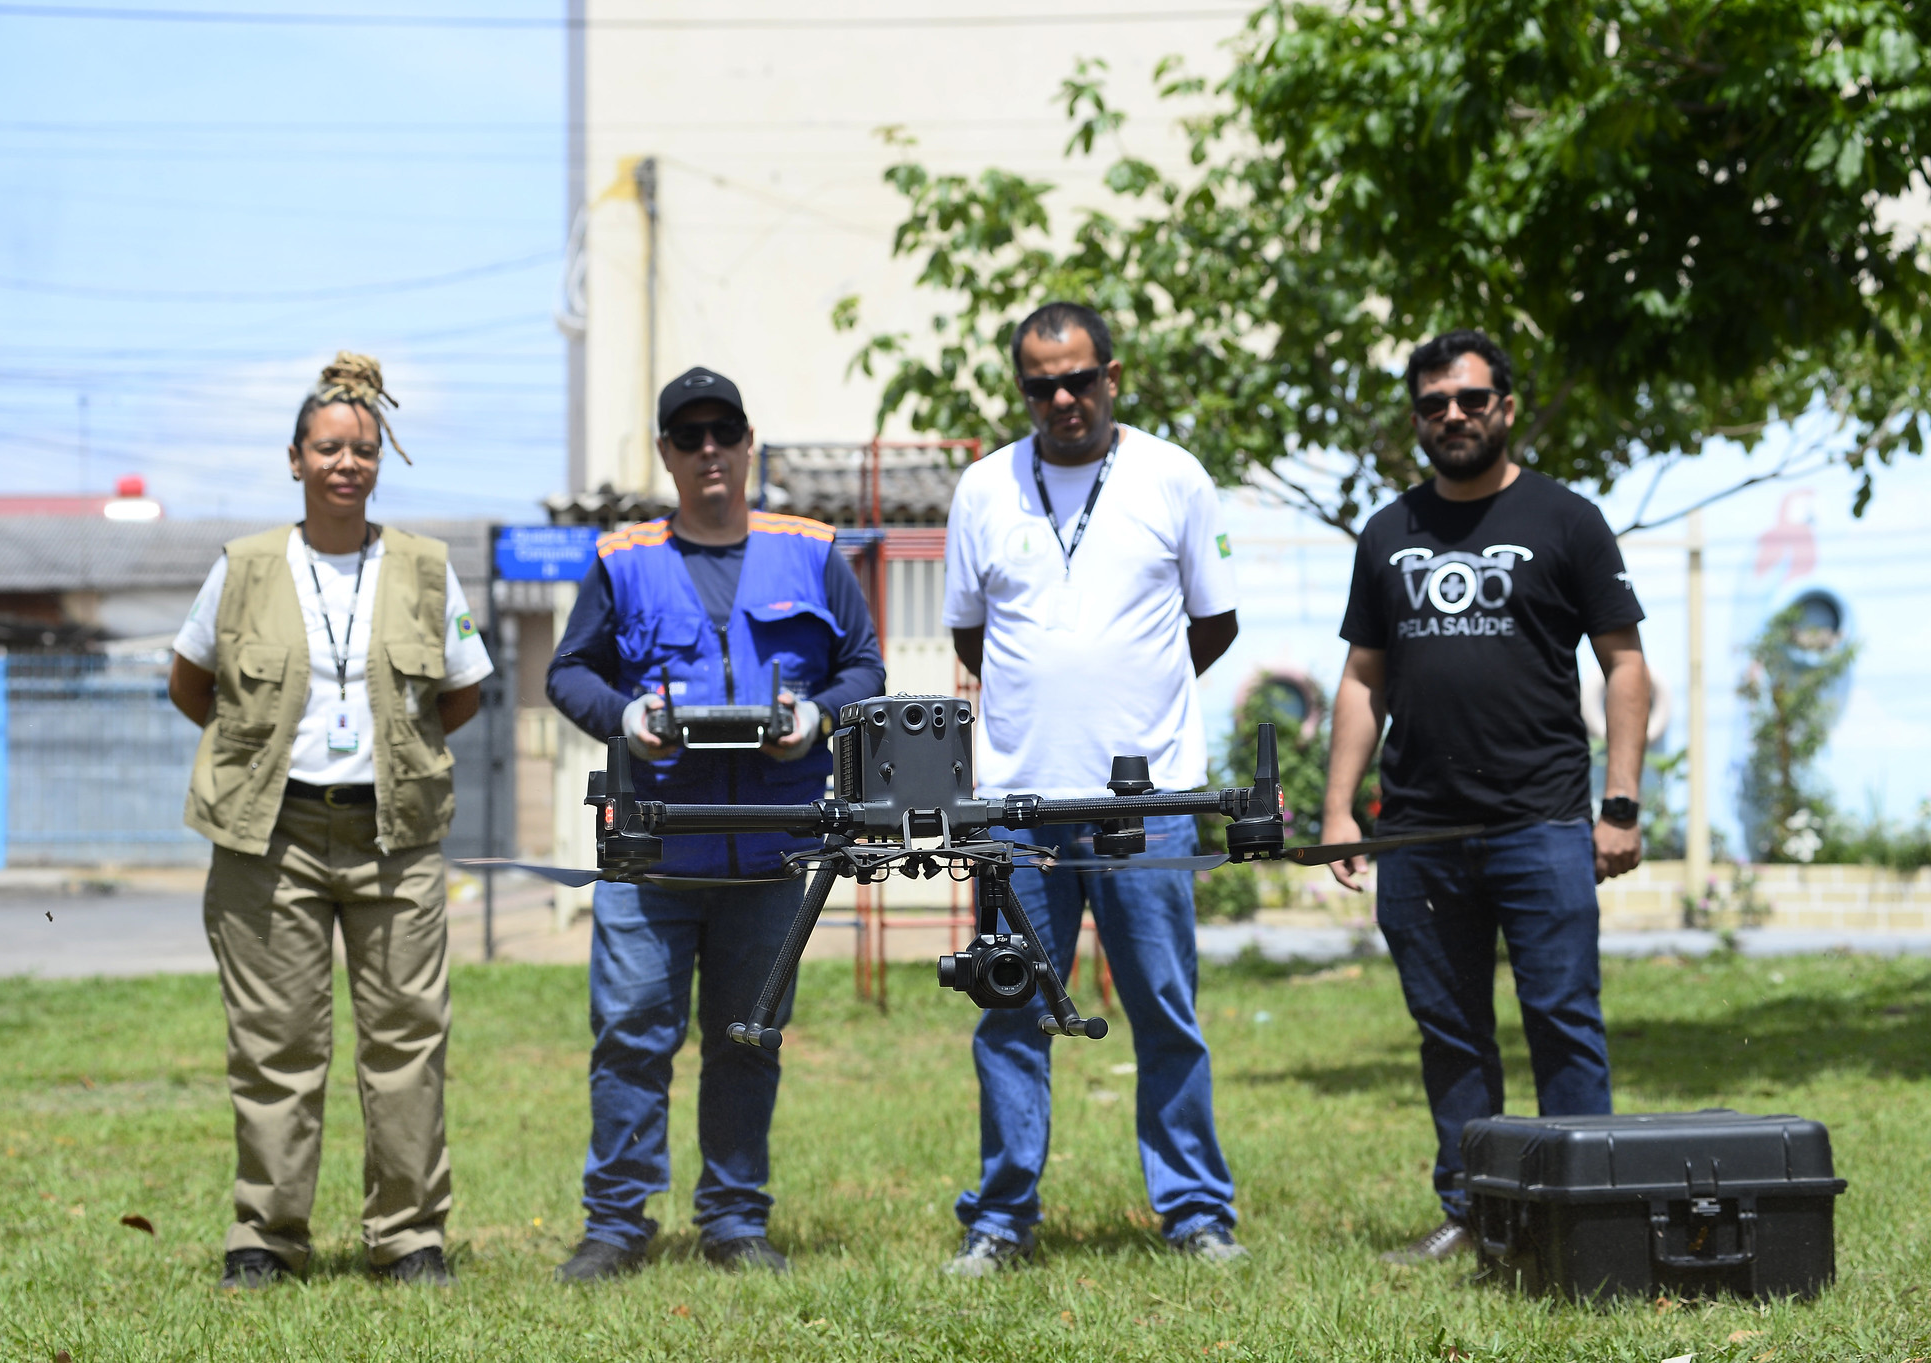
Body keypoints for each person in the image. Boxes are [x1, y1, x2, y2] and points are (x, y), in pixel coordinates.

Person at [546, 366, 885, 1281]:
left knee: (749, 1041)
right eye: (687, 437)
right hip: (653, 850)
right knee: (631, 1038)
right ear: (665, 452)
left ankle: (735, 1221)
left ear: (747, 445)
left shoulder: (811, 551)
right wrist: (624, 717)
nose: (707, 452)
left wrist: (817, 718)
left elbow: (865, 667)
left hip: (772, 853)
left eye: (722, 434)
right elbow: (567, 672)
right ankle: (617, 1225)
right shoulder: (623, 560)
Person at [1318, 329, 1649, 1264]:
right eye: (1434, 404)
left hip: (1540, 823)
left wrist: (1619, 804)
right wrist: (1341, 809)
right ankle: (1476, 1215)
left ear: (1504, 404)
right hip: (1417, 832)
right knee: (1449, 1032)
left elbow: (1625, 667)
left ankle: (1589, 1217)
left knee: (1562, 1018)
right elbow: (1361, 679)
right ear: (1417, 417)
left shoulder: (1568, 520)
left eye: (1470, 400)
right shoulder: (1389, 532)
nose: (1452, 416)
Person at [168, 352, 494, 1289]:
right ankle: (264, 1239)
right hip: (272, 840)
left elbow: (462, 693)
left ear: (379, 457)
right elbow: (192, 684)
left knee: (407, 1042)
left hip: (395, 840)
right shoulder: (244, 568)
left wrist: (389, 754)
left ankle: (408, 1238)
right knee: (276, 1046)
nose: (345, 463)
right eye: (327, 448)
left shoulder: (427, 568)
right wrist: (269, 755)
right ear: (295, 458)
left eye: (362, 448)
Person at [940, 302, 1244, 1274]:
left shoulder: (1174, 478)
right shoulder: (983, 488)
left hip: (1144, 806)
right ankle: (1000, 1219)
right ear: (1020, 388)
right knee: (1010, 1012)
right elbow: (967, 637)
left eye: (1078, 379)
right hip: (1017, 805)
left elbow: (1214, 622)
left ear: (1114, 374)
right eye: (1040, 385)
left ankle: (1195, 1212)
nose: (1062, 399)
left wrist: (1134, 698)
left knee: (1163, 1007)